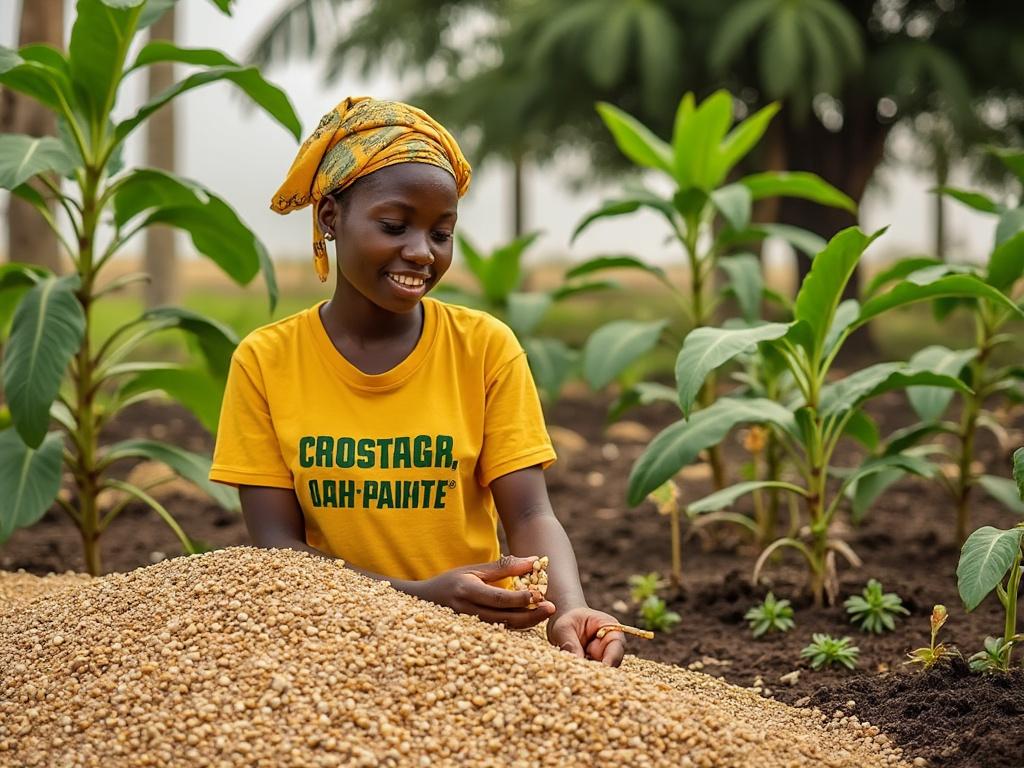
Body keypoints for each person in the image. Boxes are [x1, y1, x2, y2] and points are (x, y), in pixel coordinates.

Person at [209, 97, 625, 666]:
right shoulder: (266, 361)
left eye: (441, 233)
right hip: (327, 641)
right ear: (330, 217)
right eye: (394, 226)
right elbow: (277, 548)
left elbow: (528, 514)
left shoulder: (484, 348)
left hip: (480, 642)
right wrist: (416, 599)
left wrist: (570, 606)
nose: (420, 252)